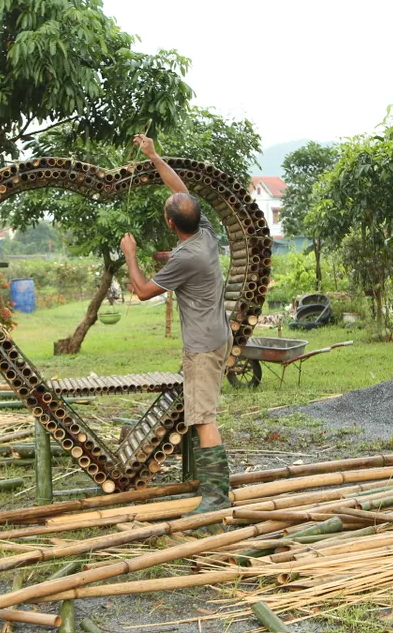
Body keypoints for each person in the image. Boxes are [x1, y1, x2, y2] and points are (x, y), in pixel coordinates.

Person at [119, 134, 231, 516]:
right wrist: (153, 156)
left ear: (170, 223)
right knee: (201, 411)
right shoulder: (206, 233)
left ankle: (216, 498)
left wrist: (130, 255)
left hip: (202, 345)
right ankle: (213, 491)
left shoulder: (186, 258)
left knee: (203, 417)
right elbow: (180, 189)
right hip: (217, 335)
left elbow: (142, 291)